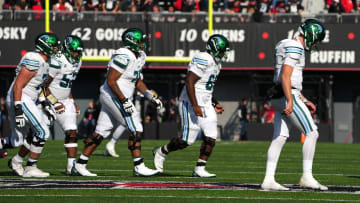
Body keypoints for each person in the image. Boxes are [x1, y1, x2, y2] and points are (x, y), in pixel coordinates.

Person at [71, 28, 162, 177]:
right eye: (139, 41)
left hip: (120, 96)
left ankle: (79, 165)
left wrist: (150, 96)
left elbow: (137, 81)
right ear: (131, 41)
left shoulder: (140, 56)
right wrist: (124, 100)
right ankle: (139, 166)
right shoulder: (123, 55)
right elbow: (111, 81)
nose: (143, 44)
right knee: (136, 127)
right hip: (113, 94)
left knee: (101, 131)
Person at [261, 19, 328, 191]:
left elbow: (288, 77)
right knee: (312, 132)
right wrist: (291, 100)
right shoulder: (296, 47)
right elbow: (286, 75)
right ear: (311, 35)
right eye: (316, 40)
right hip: (287, 94)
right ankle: (307, 176)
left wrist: (304, 99)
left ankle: (268, 179)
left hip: (279, 93)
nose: (315, 44)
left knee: (280, 137)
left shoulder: (283, 43)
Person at [153, 34, 230, 177]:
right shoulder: (203, 58)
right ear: (213, 48)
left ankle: (200, 168)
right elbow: (189, 81)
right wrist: (195, 105)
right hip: (190, 101)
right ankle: (161, 151)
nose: (223, 54)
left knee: (211, 137)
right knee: (186, 141)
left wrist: (214, 103)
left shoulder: (217, 63)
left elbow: (206, 87)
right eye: (221, 51)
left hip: (206, 103)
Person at [3, 33, 60, 177]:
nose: (56, 49)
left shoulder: (44, 62)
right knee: (42, 131)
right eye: (53, 46)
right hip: (21, 98)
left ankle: (16, 161)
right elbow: (18, 85)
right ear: (44, 46)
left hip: (28, 99)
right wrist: (18, 108)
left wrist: (45, 103)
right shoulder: (33, 59)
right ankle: (31, 167)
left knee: (17, 141)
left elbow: (38, 87)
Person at [40, 35, 83, 175]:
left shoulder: (78, 61)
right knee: (37, 136)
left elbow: (67, 84)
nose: (76, 55)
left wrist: (72, 101)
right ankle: (19, 160)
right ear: (66, 49)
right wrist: (54, 101)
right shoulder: (56, 61)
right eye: (74, 51)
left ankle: (71, 167)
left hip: (65, 101)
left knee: (72, 132)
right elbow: (43, 85)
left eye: (78, 52)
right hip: (47, 99)